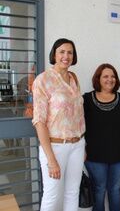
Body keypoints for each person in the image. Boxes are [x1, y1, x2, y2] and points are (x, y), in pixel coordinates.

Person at [32, 38, 85, 211]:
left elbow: (78, 114)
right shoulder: (43, 80)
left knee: (72, 193)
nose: (66, 56)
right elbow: (39, 121)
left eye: (70, 52)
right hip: (54, 146)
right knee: (52, 195)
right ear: (54, 54)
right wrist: (51, 160)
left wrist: (82, 146)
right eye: (62, 51)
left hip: (77, 144)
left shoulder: (74, 78)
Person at [83, 63, 120, 211]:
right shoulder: (86, 100)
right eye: (106, 76)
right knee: (99, 189)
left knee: (115, 189)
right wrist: (81, 149)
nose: (110, 79)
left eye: (113, 76)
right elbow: (78, 126)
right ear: (98, 79)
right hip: (94, 156)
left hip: (119, 155)